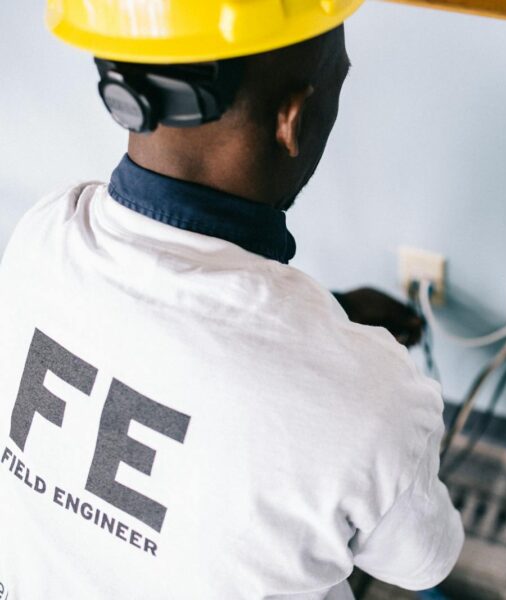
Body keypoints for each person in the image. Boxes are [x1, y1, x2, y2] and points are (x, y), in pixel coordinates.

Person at [0, 2, 464, 599]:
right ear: (292, 120)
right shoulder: (375, 401)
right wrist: (355, 377)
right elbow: (426, 561)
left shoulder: (42, 236)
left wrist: (331, 332)